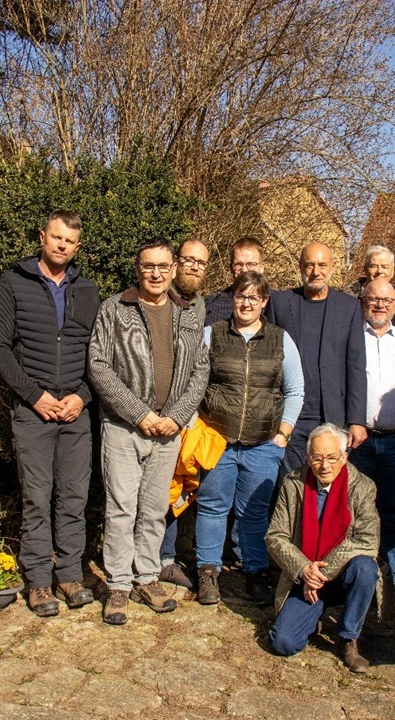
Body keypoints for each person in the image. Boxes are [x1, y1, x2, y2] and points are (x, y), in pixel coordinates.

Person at [88, 240, 210, 625]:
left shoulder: (188, 314)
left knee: (155, 509)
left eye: (162, 266)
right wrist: (139, 414)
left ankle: (147, 576)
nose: (155, 273)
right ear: (137, 269)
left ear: (173, 269)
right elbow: (98, 366)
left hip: (168, 430)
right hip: (125, 427)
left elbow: (199, 371)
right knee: (122, 509)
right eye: (148, 266)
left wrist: (176, 416)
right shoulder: (115, 308)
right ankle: (120, 585)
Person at [0, 209, 101, 617]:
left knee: (73, 495)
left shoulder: (87, 290)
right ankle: (37, 581)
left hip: (74, 413)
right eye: (55, 238)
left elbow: (98, 356)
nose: (61, 246)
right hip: (33, 411)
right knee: (37, 496)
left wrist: (83, 396)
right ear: (42, 237)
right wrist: (34, 396)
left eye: (69, 241)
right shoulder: (14, 281)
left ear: (77, 246)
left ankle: (69, 576)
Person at [195, 271, 304, 606]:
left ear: (264, 302)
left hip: (263, 444)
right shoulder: (211, 335)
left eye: (254, 298)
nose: (246, 303)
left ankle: (255, 572)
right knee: (212, 507)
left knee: (255, 513)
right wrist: (196, 427)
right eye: (241, 296)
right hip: (218, 440)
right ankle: (208, 573)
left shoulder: (280, 339)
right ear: (232, 299)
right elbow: (193, 384)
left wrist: (283, 433)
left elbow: (295, 390)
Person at [265, 424, 380, 674]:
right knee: (283, 642)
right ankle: (311, 618)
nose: (324, 465)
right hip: (305, 577)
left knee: (366, 567)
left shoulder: (362, 487)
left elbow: (367, 540)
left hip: (341, 576)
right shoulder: (294, 483)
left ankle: (348, 636)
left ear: (344, 457)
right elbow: (276, 535)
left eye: (331, 457)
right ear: (308, 458)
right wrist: (303, 568)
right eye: (317, 458)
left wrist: (320, 575)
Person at [348, 277, 395, 603]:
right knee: (356, 509)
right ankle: (357, 569)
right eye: (373, 299)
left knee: (394, 510)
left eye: (387, 300)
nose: (380, 305)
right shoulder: (352, 338)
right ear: (363, 301)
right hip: (359, 440)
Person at [266, 242, 368, 474]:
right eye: (309, 265)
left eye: (322, 265)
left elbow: (356, 366)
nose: (316, 271)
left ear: (332, 266)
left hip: (332, 415)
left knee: (327, 485)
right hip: (290, 416)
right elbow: (269, 361)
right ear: (300, 266)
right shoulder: (281, 303)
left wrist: (357, 419)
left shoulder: (349, 307)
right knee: (289, 485)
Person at [158, 239, 212, 589]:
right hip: (152, 412)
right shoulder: (157, 296)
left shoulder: (201, 306)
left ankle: (165, 557)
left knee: (176, 487)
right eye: (188, 260)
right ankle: (149, 558)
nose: (193, 267)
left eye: (200, 263)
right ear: (176, 262)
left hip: (183, 413)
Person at [343, 245, 395, 329]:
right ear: (365, 269)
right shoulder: (347, 298)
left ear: (392, 271)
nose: (379, 271)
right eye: (374, 266)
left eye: (385, 267)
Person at [205, 236, 267, 325]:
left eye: (250, 264)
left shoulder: (275, 304)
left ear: (261, 267)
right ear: (231, 268)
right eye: (239, 264)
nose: (244, 270)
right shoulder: (212, 304)